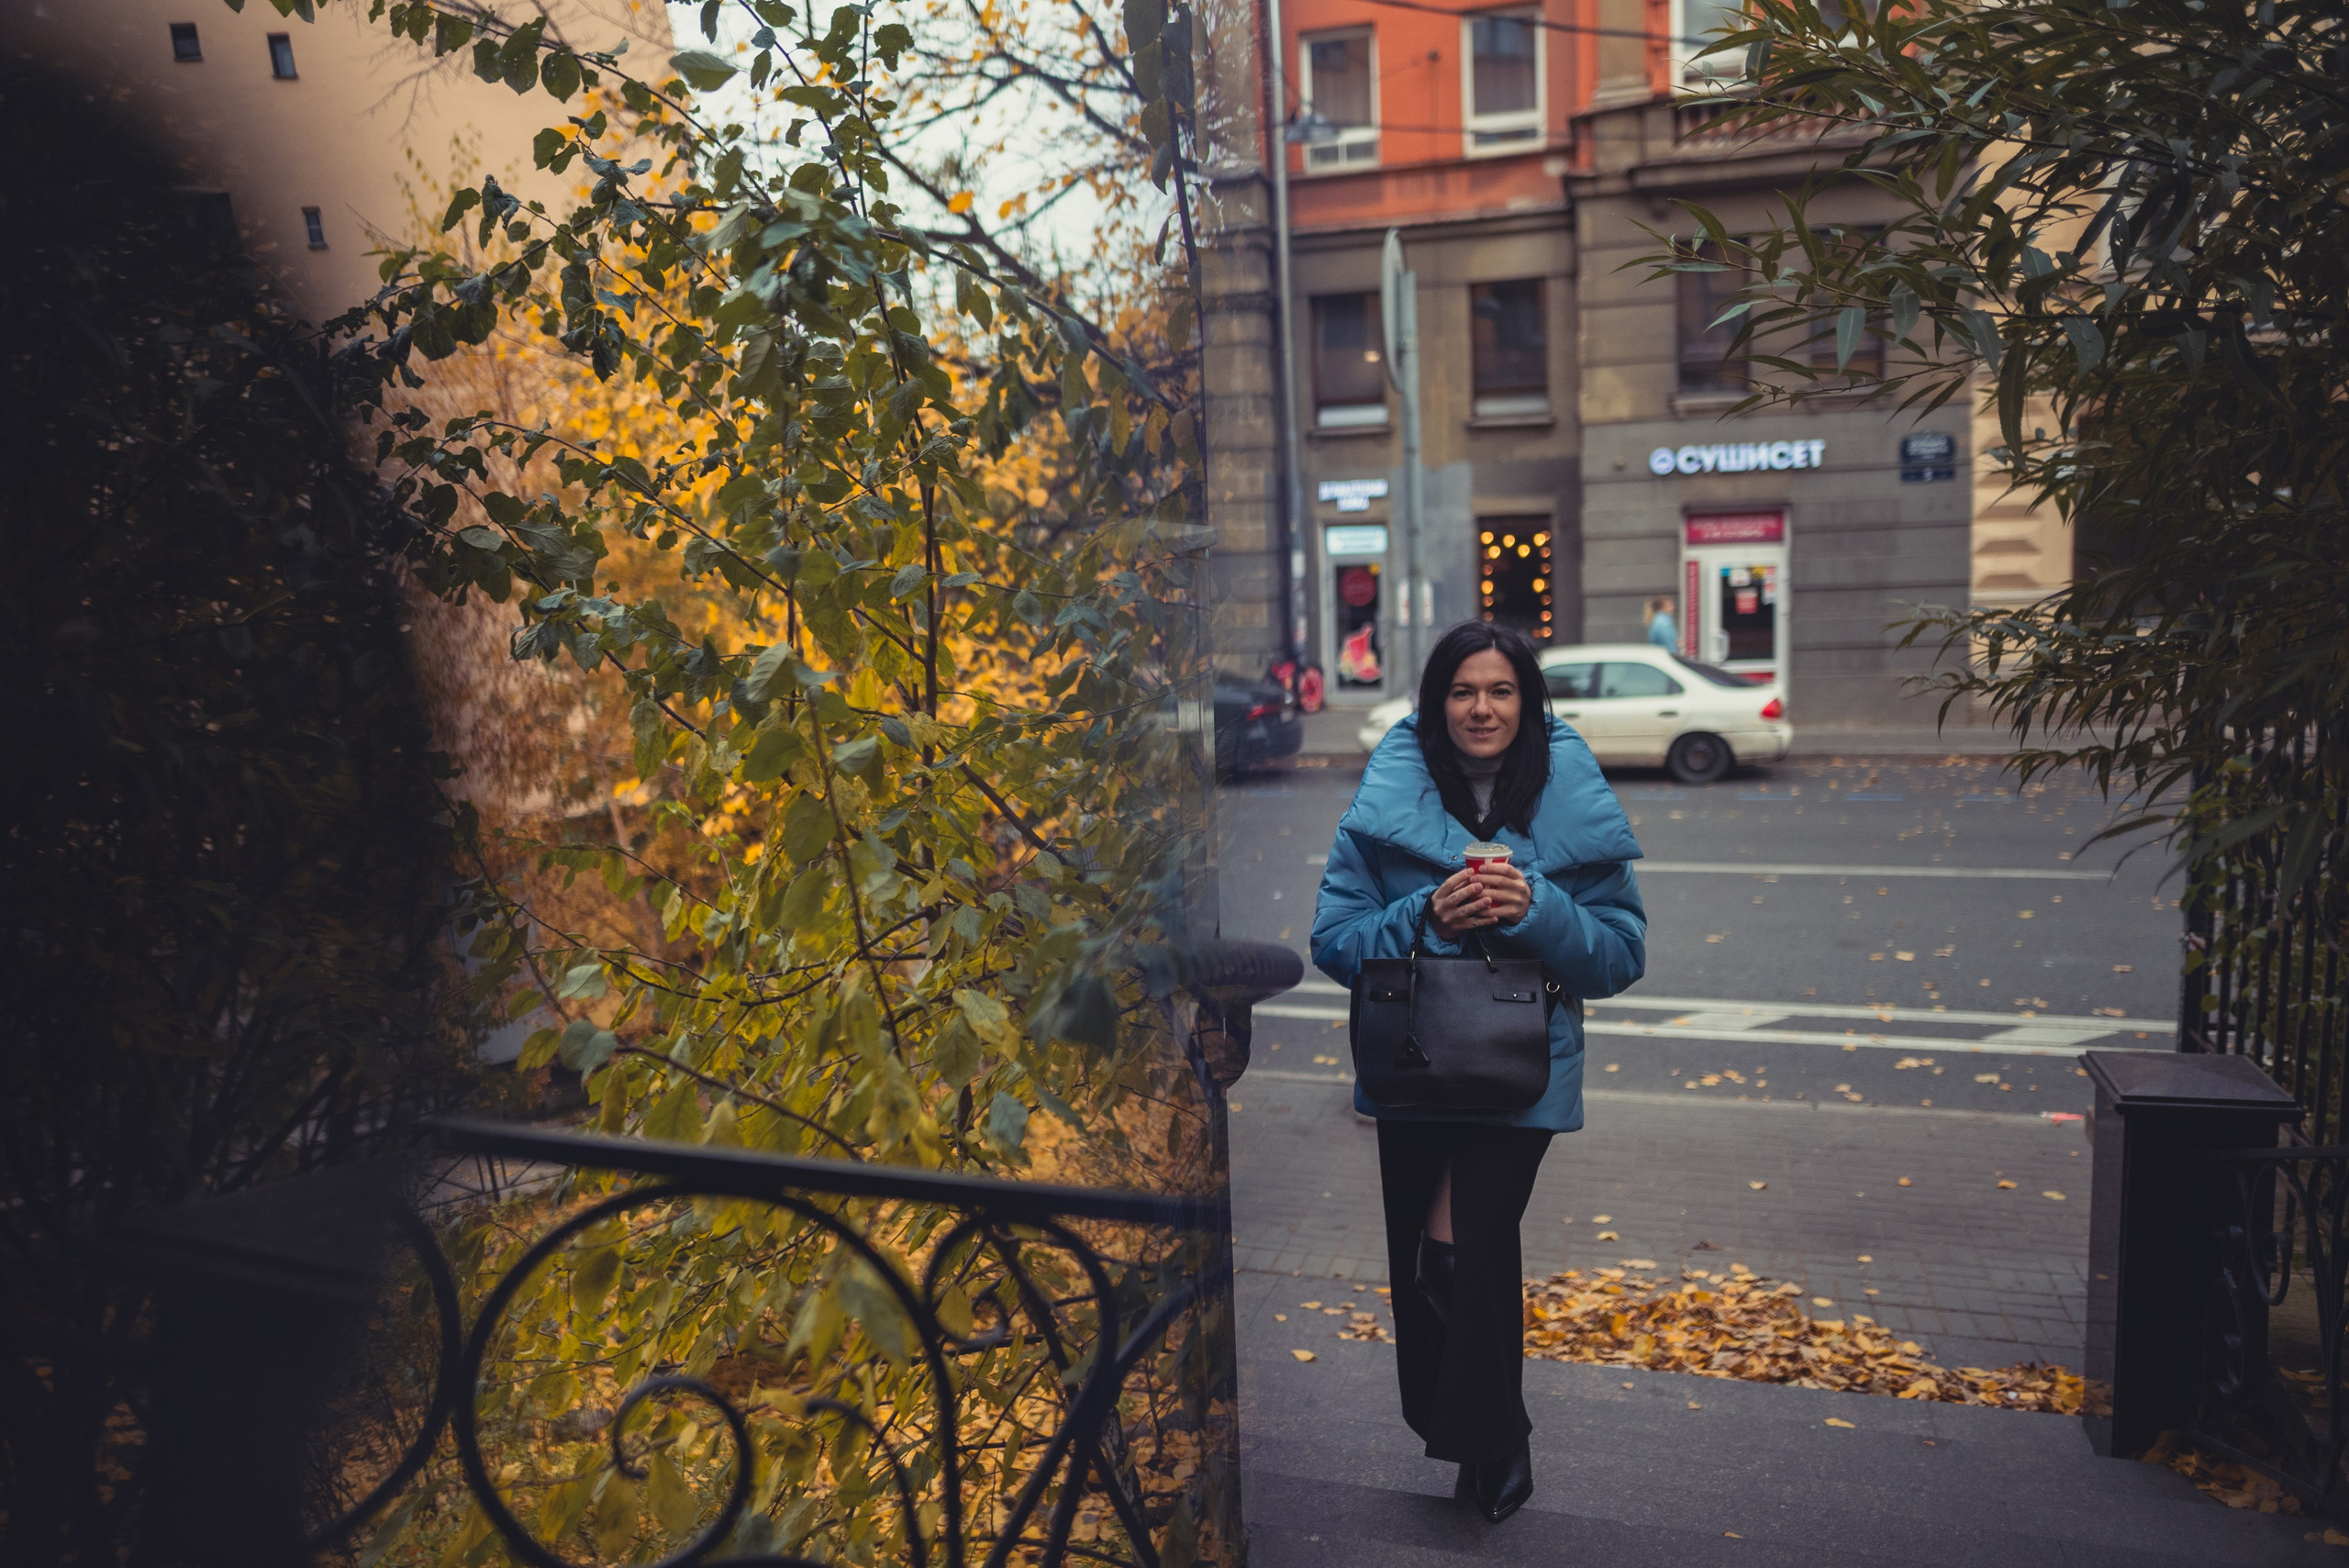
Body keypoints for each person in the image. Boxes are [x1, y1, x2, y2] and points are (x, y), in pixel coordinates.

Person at [1310, 621, 1646, 1523]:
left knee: (1462, 1245)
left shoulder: (1572, 797)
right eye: (1463, 691)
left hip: (1525, 1069)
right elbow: (1335, 943)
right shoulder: (1387, 797)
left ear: (1527, 702)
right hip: (1414, 1063)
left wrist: (1537, 908)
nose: (1482, 708)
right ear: (1436, 703)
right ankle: (1469, 1430)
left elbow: (1619, 957)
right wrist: (1427, 916)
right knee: (1431, 1261)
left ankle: (1497, 1439)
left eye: (1500, 690)